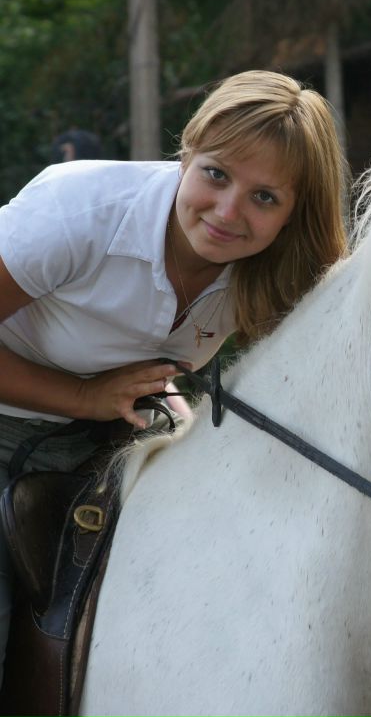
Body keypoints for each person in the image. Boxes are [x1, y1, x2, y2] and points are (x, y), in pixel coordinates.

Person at [0, 70, 348, 686]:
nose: (227, 211)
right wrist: (82, 396)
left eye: (265, 197)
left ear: (294, 213)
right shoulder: (80, 210)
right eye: (216, 173)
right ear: (186, 154)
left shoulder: (278, 272)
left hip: (110, 435)